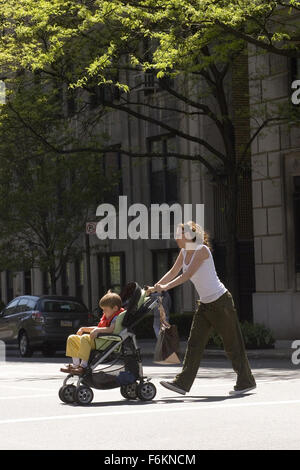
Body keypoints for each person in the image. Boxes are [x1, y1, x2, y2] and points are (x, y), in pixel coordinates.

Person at [147, 221, 256, 396]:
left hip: (221, 303)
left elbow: (187, 275)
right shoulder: (184, 252)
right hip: (205, 305)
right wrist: (155, 286)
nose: (176, 237)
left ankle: (246, 381)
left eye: (178, 234)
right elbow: (173, 272)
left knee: (232, 344)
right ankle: (182, 383)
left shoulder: (201, 250)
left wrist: (164, 288)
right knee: (194, 344)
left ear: (188, 235)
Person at [60, 291, 124, 375]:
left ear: (115, 308)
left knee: (85, 337)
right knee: (72, 338)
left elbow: (110, 329)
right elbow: (100, 328)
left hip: (104, 342)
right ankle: (76, 365)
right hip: (97, 340)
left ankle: (83, 366)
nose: (103, 312)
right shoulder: (109, 316)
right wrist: (84, 329)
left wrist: (97, 331)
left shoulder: (116, 317)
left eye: (105, 310)